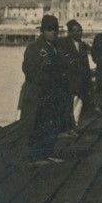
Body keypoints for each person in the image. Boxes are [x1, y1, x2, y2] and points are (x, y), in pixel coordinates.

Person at [21, 15, 67, 166]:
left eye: (55, 29)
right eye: (49, 29)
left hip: (53, 92)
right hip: (39, 92)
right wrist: (47, 77)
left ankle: (48, 153)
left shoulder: (57, 48)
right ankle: (34, 157)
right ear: (42, 31)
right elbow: (28, 69)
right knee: (37, 123)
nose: (53, 32)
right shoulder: (34, 48)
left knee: (52, 124)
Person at [59, 20, 93, 133]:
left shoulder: (82, 45)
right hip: (68, 79)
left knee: (78, 103)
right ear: (70, 32)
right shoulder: (63, 44)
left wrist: (88, 78)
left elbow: (85, 63)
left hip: (80, 80)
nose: (80, 33)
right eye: (77, 31)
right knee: (68, 104)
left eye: (80, 31)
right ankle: (67, 128)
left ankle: (74, 126)